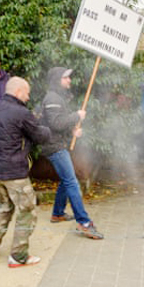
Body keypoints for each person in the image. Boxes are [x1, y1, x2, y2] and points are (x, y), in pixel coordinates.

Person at [0, 77, 51, 267]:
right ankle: (19, 256)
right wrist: (46, 127)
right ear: (19, 91)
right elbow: (39, 135)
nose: (28, 97)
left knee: (4, 207)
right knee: (27, 211)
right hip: (14, 172)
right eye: (27, 92)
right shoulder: (21, 112)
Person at [40, 67, 104, 240]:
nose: (69, 81)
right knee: (72, 182)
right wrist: (76, 116)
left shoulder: (57, 97)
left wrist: (72, 132)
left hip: (57, 143)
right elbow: (55, 123)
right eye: (66, 78)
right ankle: (84, 222)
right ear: (56, 80)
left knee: (66, 179)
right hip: (54, 147)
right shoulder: (52, 98)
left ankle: (58, 213)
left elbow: (59, 125)